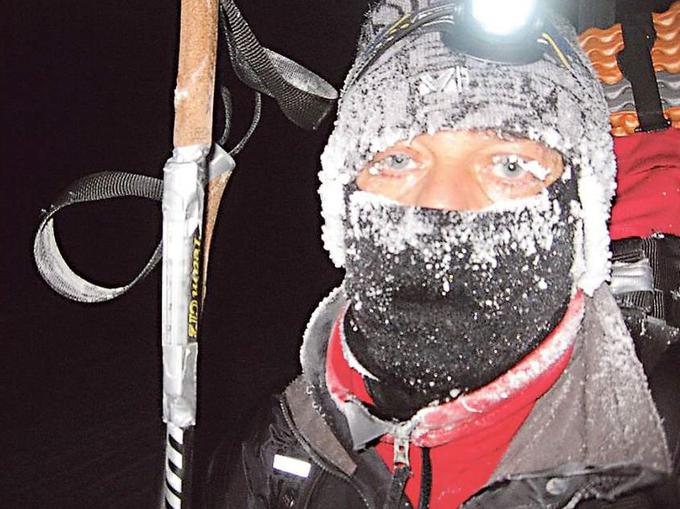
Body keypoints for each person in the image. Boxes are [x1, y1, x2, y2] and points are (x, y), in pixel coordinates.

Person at [207, 1, 674, 507]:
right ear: (341, 202)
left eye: (511, 165)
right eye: (399, 159)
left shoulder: (663, 434)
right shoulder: (283, 452)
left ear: (579, 210)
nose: (442, 205)